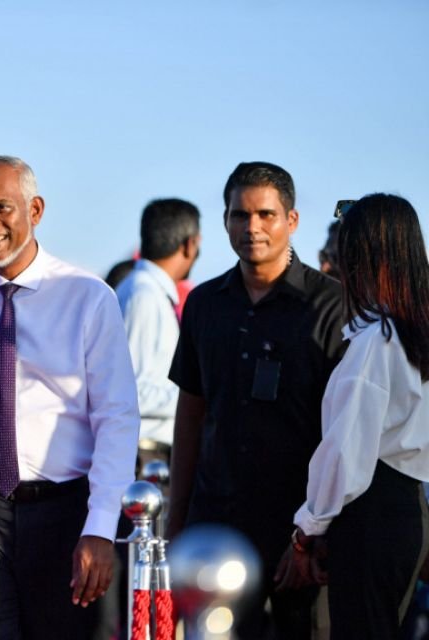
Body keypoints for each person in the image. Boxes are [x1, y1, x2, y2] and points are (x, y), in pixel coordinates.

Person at [0, 155, 140, 639]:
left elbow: (116, 416)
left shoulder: (88, 297)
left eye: (1, 207)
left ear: (35, 210)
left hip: (66, 512)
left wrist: (100, 527)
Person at [167, 161, 345, 638]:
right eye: (240, 215)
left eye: (266, 214)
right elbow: (190, 413)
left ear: (292, 220)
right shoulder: (205, 304)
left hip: (301, 529)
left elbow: (344, 433)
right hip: (217, 523)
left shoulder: (330, 306)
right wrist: (177, 518)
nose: (252, 227)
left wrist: (320, 533)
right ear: (225, 221)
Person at [276, 194, 429, 638]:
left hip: (372, 512)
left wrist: (307, 529)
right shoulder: (411, 334)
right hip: (406, 507)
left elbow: (345, 453)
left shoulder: (377, 340)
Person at [115, 198, 201, 468]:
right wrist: (198, 397)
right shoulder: (144, 294)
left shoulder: (149, 291)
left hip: (150, 453)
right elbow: (129, 391)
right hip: (144, 456)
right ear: (190, 245)